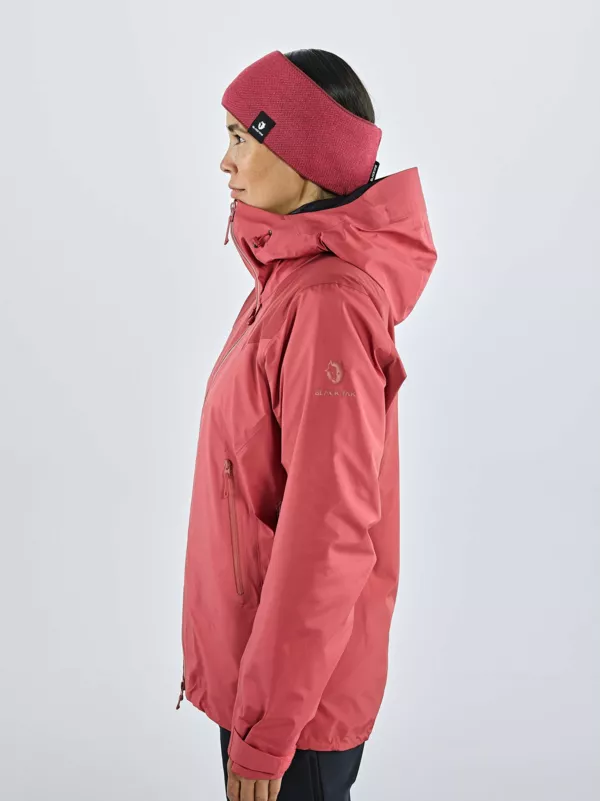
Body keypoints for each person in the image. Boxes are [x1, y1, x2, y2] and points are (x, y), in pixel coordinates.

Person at [177, 48, 438, 801]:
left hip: (294, 711)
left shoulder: (326, 304)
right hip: (264, 681)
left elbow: (328, 535)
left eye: (242, 138)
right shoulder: (288, 277)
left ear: (304, 156)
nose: (225, 162)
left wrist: (267, 730)